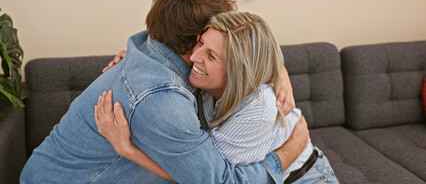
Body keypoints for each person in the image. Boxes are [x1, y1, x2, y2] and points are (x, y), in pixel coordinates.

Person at [20, 0, 308, 184]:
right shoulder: (162, 99)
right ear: (199, 39)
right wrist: (286, 154)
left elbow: (251, 48)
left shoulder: (150, 47)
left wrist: (276, 71)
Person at [95, 12, 339, 183]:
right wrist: (139, 61)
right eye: (200, 43)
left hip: (304, 178)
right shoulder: (208, 82)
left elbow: (202, 176)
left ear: (239, 72)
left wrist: (126, 148)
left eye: (211, 56)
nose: (195, 57)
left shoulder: (258, 108)